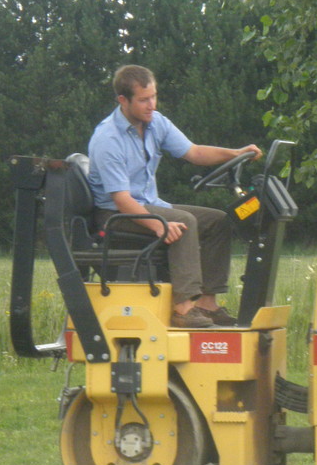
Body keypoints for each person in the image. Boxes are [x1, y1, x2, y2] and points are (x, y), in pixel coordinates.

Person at [87, 65, 262, 328]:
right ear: (123, 100)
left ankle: (206, 303)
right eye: (144, 100)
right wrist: (159, 225)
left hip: (148, 204)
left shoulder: (156, 123)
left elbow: (194, 153)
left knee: (218, 220)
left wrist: (236, 153)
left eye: (154, 96)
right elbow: (122, 200)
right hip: (116, 214)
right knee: (184, 221)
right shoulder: (108, 138)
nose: (151, 105)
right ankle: (183, 309)